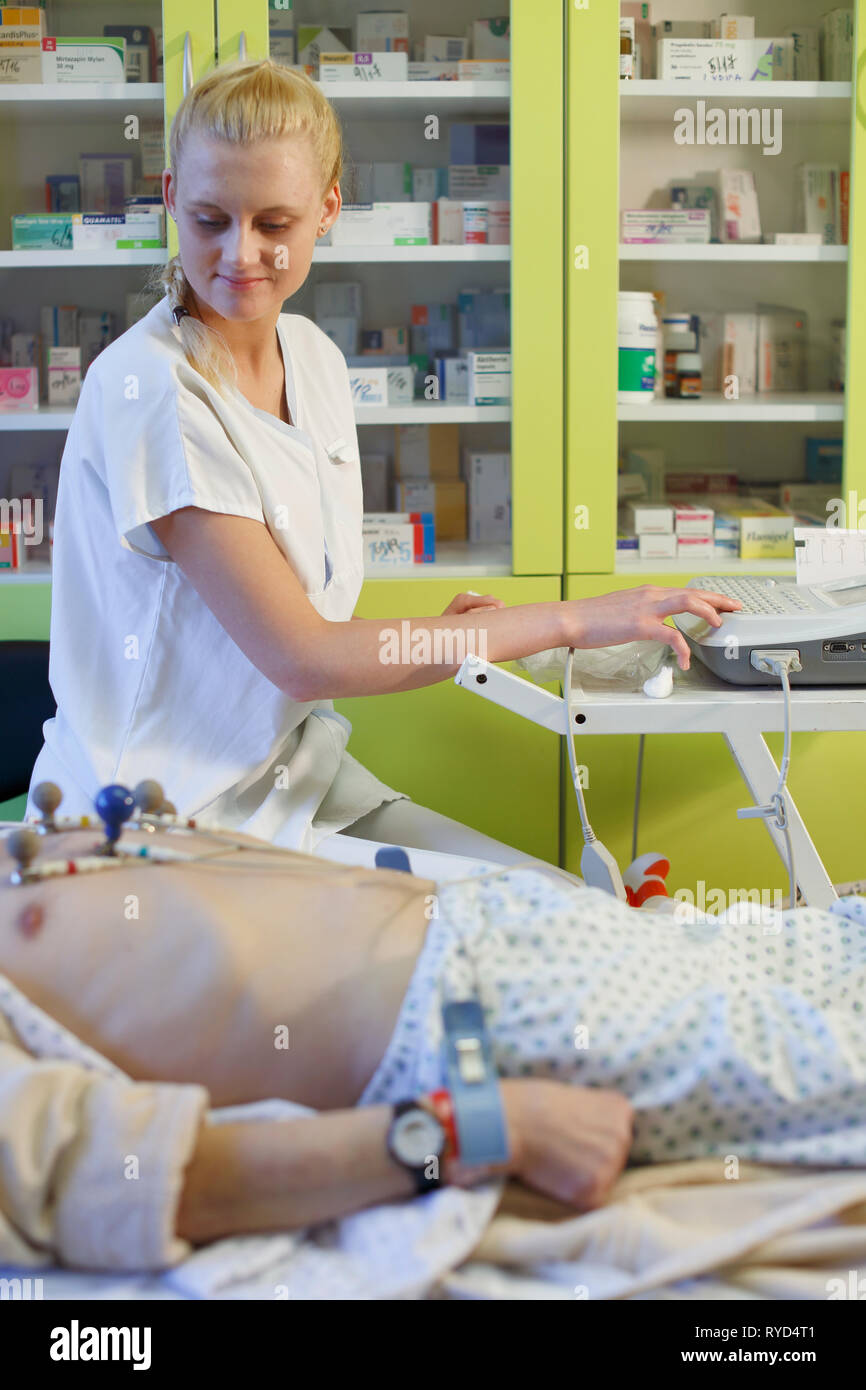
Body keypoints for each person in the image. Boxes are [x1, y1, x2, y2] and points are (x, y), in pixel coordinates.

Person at [25, 58, 739, 882]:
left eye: (275, 223)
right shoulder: (154, 388)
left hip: (293, 780)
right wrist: (572, 619)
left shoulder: (317, 361)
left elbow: (306, 617)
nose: (239, 253)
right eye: (210, 218)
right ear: (170, 196)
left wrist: (450, 633)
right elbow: (305, 656)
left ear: (328, 207)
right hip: (165, 821)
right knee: (512, 933)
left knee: (548, 897)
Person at [1, 817, 863, 1271]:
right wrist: (482, 1126)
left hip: (504, 922)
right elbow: (144, 1183)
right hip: (482, 1017)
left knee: (842, 939)